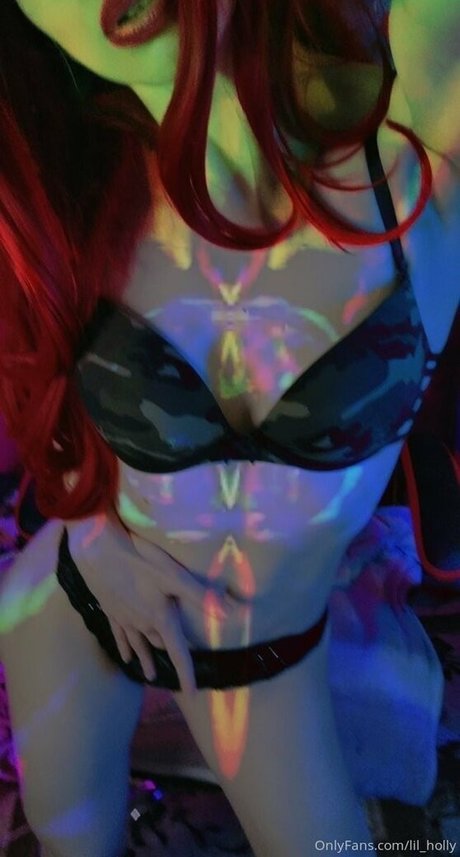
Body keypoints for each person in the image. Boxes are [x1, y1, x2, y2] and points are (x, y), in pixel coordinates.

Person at [0, 1, 458, 855]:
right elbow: (41, 390)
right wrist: (87, 526)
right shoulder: (70, 181)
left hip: (262, 666)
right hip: (73, 605)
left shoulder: (418, 136)